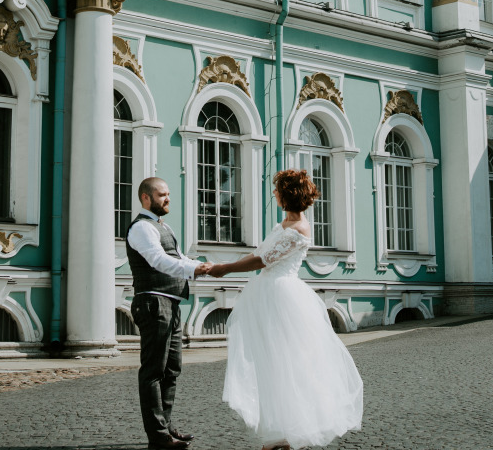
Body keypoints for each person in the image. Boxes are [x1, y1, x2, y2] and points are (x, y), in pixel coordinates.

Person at [208, 169, 363, 450]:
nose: (275, 194)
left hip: (283, 297)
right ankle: (278, 431)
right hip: (267, 293)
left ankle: (291, 429)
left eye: (277, 190)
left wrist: (224, 268)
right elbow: (259, 253)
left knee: (288, 363)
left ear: (287, 194)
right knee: (271, 363)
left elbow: (263, 260)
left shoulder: (300, 229)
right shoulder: (284, 224)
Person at [126, 177, 213, 449]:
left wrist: (203, 266)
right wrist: (193, 269)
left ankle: (165, 426)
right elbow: (158, 260)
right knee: (153, 370)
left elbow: (177, 258)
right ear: (145, 198)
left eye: (168, 194)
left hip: (171, 303)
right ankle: (158, 436)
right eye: (162, 195)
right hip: (153, 303)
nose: (168, 199)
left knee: (171, 369)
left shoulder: (164, 226)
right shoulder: (142, 228)